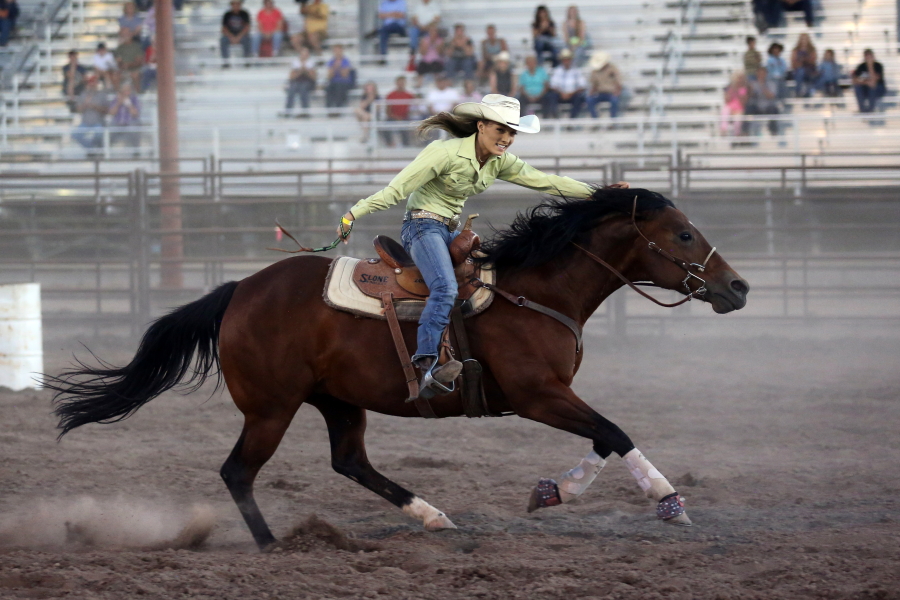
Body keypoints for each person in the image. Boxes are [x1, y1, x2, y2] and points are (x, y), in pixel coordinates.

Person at [336, 94, 628, 395]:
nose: (507, 138)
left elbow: (546, 181)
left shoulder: (499, 162)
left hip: (451, 232)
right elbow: (396, 190)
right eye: (501, 130)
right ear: (481, 126)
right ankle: (425, 366)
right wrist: (351, 215)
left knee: (485, 284)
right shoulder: (443, 152)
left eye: (512, 132)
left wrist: (599, 194)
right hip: (422, 227)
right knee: (446, 288)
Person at [545, 48, 586, 118]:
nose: (566, 61)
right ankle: (556, 118)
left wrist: (571, 93)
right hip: (560, 94)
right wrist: (561, 93)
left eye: (568, 59)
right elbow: (553, 85)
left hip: (573, 95)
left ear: (571, 60)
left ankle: (572, 119)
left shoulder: (576, 71)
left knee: (579, 97)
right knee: (551, 96)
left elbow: (582, 86)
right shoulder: (557, 70)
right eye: (564, 59)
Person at [72, 76, 109, 150]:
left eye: (94, 82)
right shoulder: (83, 94)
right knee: (75, 135)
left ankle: (93, 150)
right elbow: (78, 109)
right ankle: (91, 149)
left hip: (98, 122)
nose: (92, 85)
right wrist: (85, 105)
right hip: (85, 122)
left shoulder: (102, 94)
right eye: (90, 83)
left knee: (99, 134)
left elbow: (106, 110)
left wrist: (95, 107)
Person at [585, 51, 622, 119]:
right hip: (599, 93)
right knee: (589, 100)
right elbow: (594, 85)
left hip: (611, 93)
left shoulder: (613, 69)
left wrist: (617, 91)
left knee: (614, 100)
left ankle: (613, 121)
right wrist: (591, 93)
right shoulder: (594, 71)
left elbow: (618, 82)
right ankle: (595, 119)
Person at [743, 67, 780, 135]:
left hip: (768, 107)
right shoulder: (753, 84)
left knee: (774, 109)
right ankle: (745, 131)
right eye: (759, 73)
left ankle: (773, 130)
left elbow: (771, 96)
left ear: (766, 74)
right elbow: (749, 96)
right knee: (748, 108)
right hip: (757, 107)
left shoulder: (771, 84)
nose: (761, 75)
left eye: (763, 73)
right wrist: (750, 90)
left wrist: (762, 86)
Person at [384, 75, 416, 146]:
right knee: (384, 126)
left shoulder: (409, 95)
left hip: (405, 117)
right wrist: (396, 117)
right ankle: (389, 144)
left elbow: (412, 109)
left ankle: (406, 145)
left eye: (402, 82)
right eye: (399, 82)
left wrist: (403, 117)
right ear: (396, 83)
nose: (401, 84)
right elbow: (388, 111)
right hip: (393, 117)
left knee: (408, 126)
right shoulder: (391, 95)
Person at [109, 81, 141, 149]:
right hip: (118, 122)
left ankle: (136, 150)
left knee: (134, 129)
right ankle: (107, 151)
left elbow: (135, 113)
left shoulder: (134, 99)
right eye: (124, 91)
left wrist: (128, 103)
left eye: (127, 90)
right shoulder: (116, 99)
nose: (125, 92)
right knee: (110, 129)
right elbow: (111, 113)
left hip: (130, 122)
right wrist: (118, 103)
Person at [852, 49, 886, 113]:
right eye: (867, 57)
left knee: (872, 87)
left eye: (870, 57)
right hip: (865, 88)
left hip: (878, 89)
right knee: (857, 87)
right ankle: (862, 109)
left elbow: (874, 81)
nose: (869, 59)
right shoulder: (861, 66)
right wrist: (866, 82)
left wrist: (870, 66)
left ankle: (870, 110)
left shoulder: (878, 66)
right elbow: (855, 80)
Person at [286, 46, 317, 110]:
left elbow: (313, 77)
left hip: (308, 82)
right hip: (297, 81)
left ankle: (305, 110)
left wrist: (305, 70)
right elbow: (291, 77)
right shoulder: (296, 63)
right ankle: (288, 110)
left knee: (303, 88)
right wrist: (300, 71)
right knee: (291, 89)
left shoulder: (311, 63)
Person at [114, 27, 144, 91]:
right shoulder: (120, 47)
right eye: (123, 34)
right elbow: (118, 60)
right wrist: (121, 65)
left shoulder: (136, 46)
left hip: (135, 69)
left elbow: (139, 61)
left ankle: (138, 92)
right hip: (123, 69)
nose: (125, 36)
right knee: (115, 75)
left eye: (127, 34)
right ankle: (118, 94)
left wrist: (128, 65)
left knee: (135, 75)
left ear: (130, 35)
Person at [325, 44, 353, 109]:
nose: (337, 52)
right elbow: (329, 76)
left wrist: (338, 67)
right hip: (334, 82)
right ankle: (329, 107)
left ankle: (338, 107)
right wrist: (335, 67)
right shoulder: (331, 61)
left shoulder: (346, 61)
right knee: (328, 88)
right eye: (335, 51)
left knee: (339, 87)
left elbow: (345, 75)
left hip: (344, 82)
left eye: (338, 50)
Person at [720, 72, 747, 136]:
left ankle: (736, 134)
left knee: (738, 119)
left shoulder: (743, 89)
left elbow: (743, 102)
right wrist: (731, 92)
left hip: (739, 109)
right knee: (725, 110)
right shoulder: (729, 88)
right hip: (730, 107)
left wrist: (737, 92)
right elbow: (726, 100)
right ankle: (723, 129)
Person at [791, 33, 817, 98]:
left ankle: (808, 92)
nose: (804, 40)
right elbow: (793, 63)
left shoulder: (812, 50)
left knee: (808, 73)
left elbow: (813, 62)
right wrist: (800, 63)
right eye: (802, 39)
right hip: (799, 70)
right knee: (800, 71)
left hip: (809, 70)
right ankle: (798, 91)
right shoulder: (795, 50)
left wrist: (806, 60)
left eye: (805, 39)